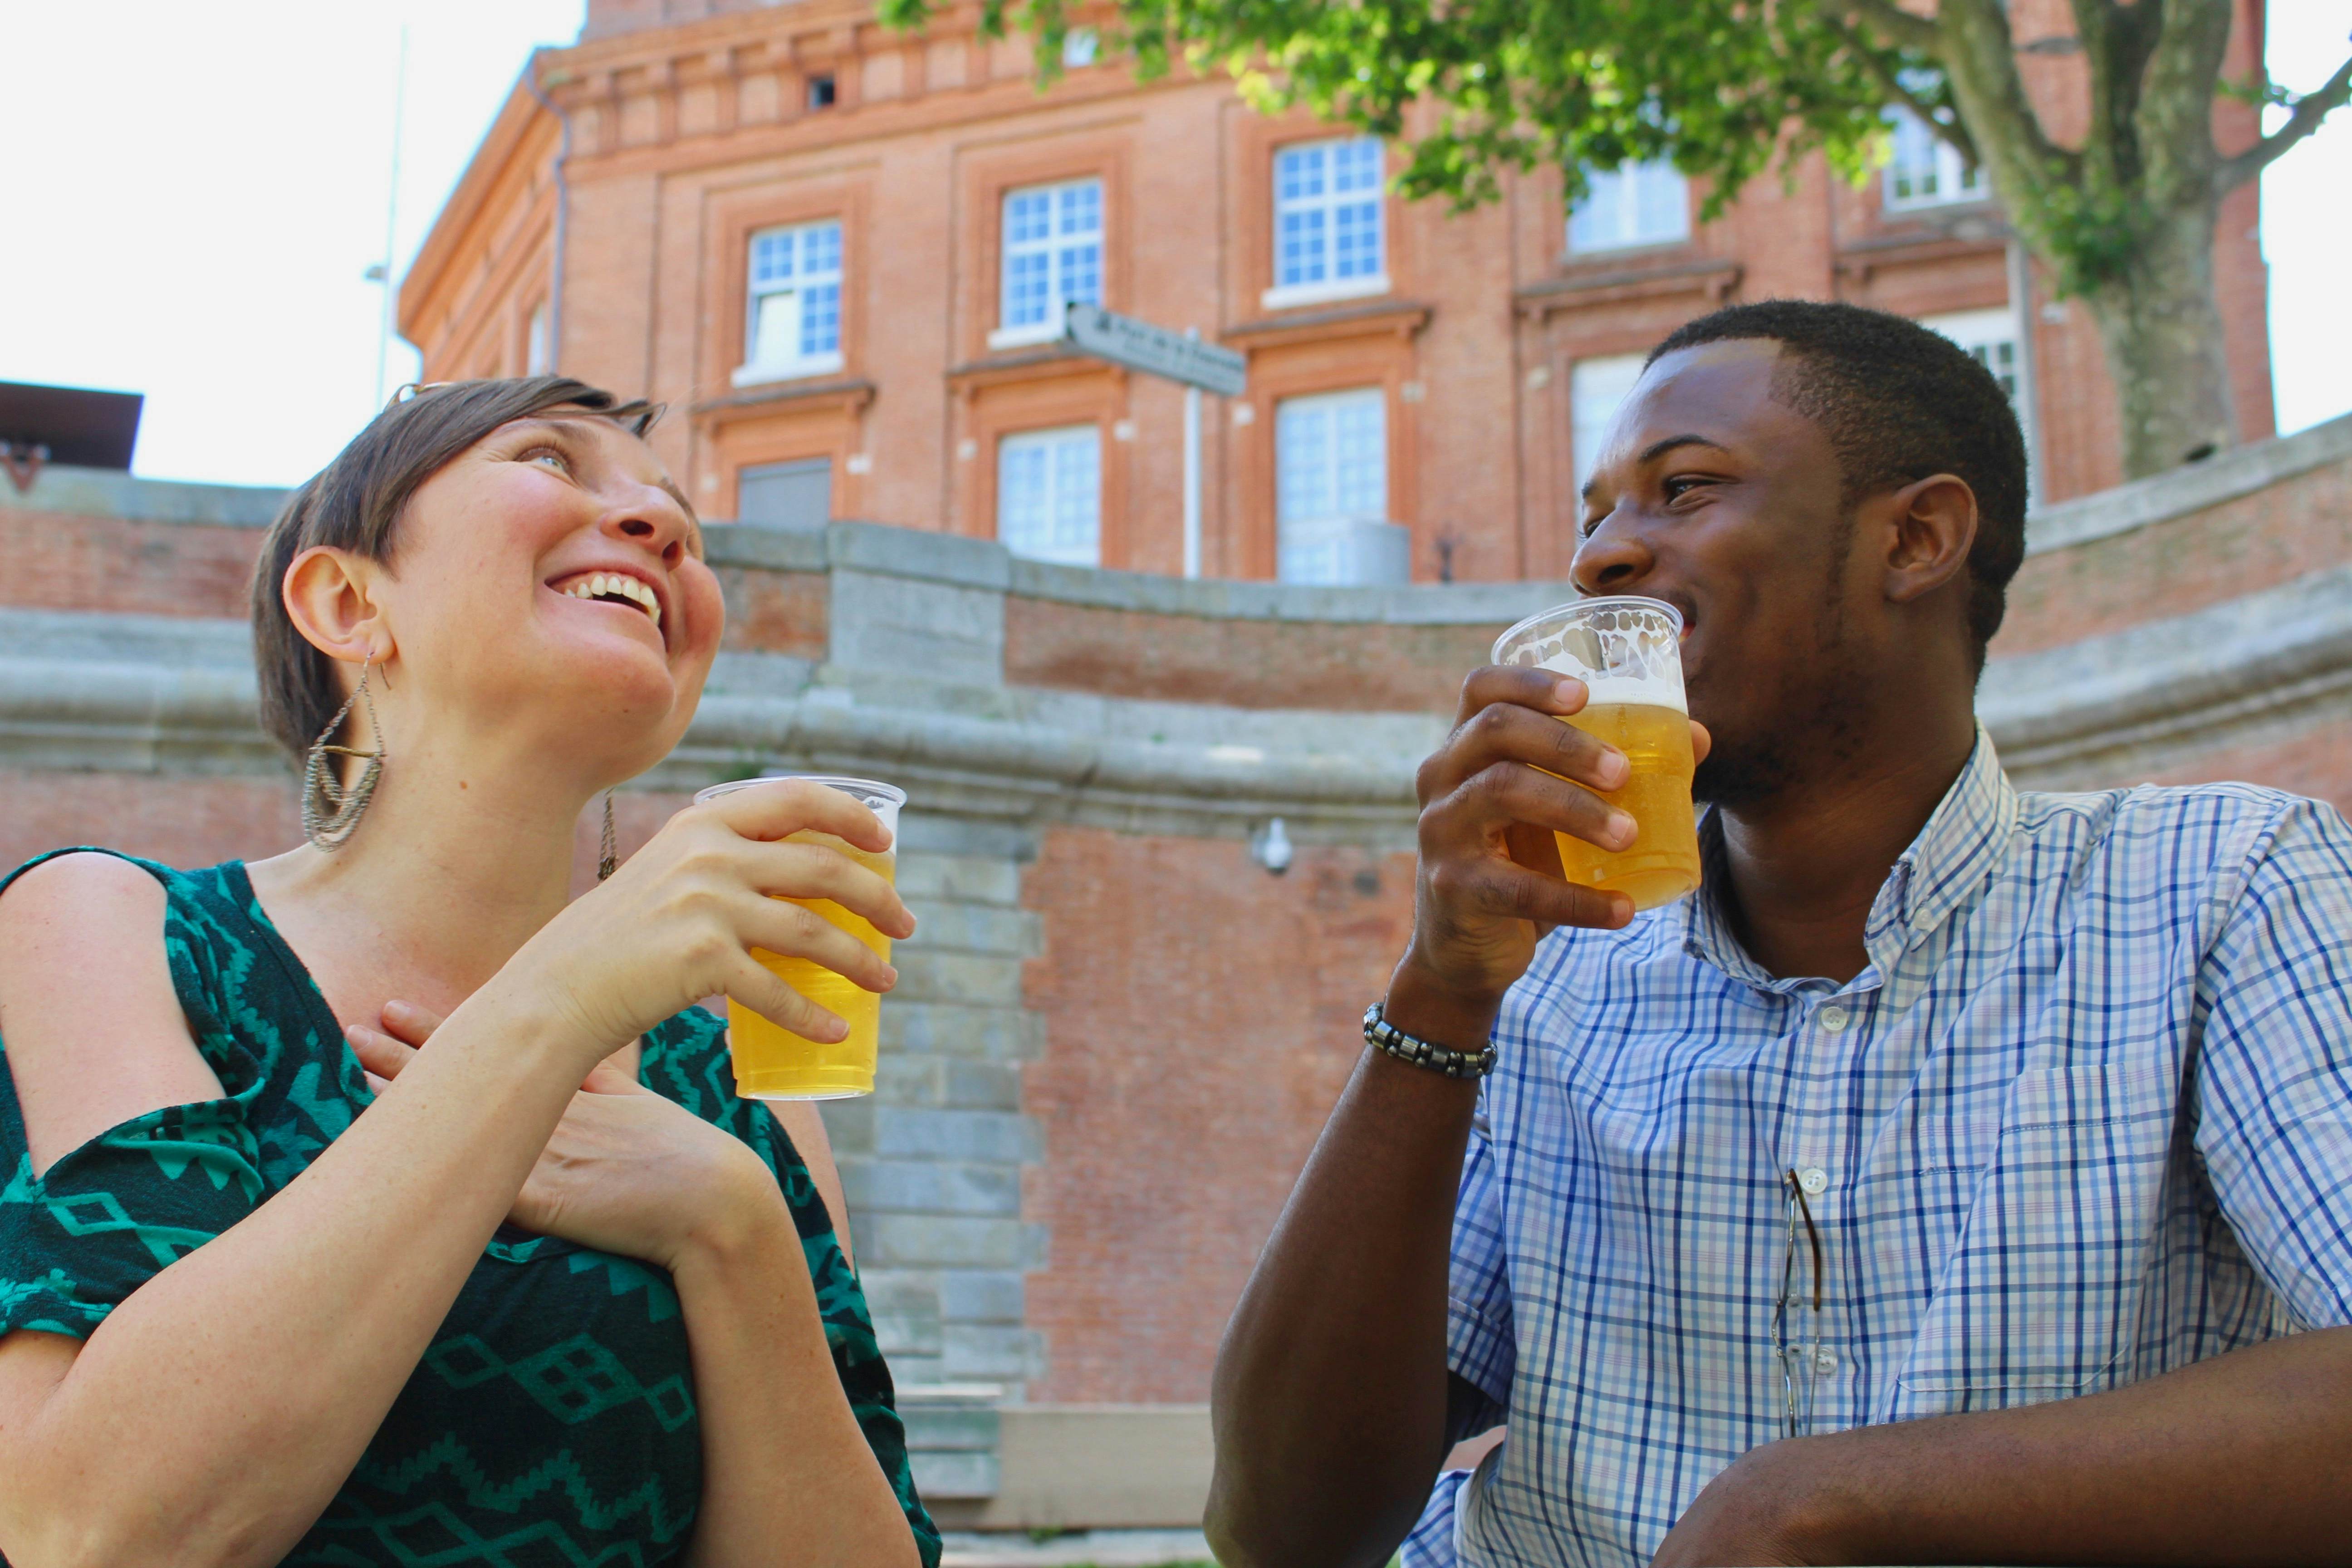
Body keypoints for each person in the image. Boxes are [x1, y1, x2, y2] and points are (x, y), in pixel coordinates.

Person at [1204, 300, 2352, 1568]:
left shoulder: (2218, 889)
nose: (1599, 560)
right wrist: (1437, 992)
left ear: (1916, 538)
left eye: (1682, 489)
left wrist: (1827, 1501)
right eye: (1595, 517)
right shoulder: (1546, 979)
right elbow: (1282, 1534)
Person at [0, 378, 941, 1567]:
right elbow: (91, 1532)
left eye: (675, 515)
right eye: (551, 462)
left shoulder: (751, 1103)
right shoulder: (113, 931)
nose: (660, 527)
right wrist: (558, 1001)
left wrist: (731, 1227)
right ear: (346, 601)